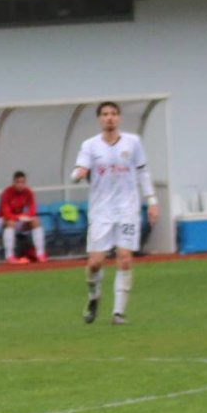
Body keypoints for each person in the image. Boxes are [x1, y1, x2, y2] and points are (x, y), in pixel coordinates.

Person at [71, 101, 158, 325]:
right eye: (105, 114)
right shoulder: (90, 145)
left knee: (125, 258)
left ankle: (118, 313)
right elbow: (78, 169)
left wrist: (152, 201)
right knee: (94, 263)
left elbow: (143, 172)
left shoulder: (133, 142)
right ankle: (94, 297)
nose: (109, 118)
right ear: (100, 119)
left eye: (113, 114)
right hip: (101, 211)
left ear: (118, 118)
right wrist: (78, 173)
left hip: (127, 208)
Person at [0, 170, 47, 264]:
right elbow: (6, 213)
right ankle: (10, 256)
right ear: (13, 182)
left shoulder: (28, 192)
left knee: (36, 221)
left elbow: (32, 210)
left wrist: (26, 218)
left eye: (22, 182)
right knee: (10, 222)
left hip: (18, 219)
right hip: (2, 220)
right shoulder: (6, 193)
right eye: (18, 182)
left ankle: (40, 254)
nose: (20, 185)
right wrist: (20, 218)